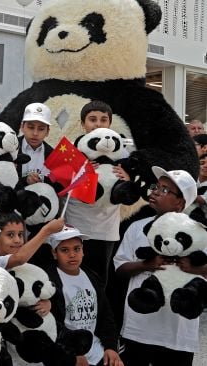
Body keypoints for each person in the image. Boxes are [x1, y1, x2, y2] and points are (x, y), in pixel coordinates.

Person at [114, 166, 204, 366]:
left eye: (165, 190)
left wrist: (195, 269)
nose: (154, 191)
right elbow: (120, 268)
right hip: (139, 330)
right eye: (156, 186)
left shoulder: (198, 233)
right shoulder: (137, 228)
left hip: (178, 334)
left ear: (180, 202)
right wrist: (147, 264)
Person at [64, 100, 130, 288]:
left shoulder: (120, 150)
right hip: (76, 224)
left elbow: (134, 180)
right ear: (82, 123)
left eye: (103, 119)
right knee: (73, 278)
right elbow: (60, 184)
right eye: (92, 119)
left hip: (106, 229)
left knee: (100, 282)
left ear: (110, 123)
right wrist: (79, 171)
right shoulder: (71, 149)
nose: (98, 124)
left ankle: (99, 316)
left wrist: (128, 176)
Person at [47, 227, 123, 366]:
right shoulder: (49, 282)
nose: (72, 254)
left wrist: (111, 347)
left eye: (77, 249)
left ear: (83, 251)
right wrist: (72, 355)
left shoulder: (92, 277)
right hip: (67, 353)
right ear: (54, 253)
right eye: (65, 250)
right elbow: (51, 326)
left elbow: (106, 315)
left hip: (97, 351)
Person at [0, 211, 64, 269]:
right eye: (10, 235)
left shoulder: (28, 262)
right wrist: (47, 230)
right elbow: (19, 259)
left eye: (20, 234)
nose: (17, 240)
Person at [18, 103, 53, 187]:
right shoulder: (10, 149)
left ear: (47, 131)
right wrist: (25, 180)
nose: (35, 133)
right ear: (22, 127)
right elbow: (4, 180)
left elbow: (57, 185)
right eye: (31, 127)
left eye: (41, 129)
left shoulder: (53, 154)